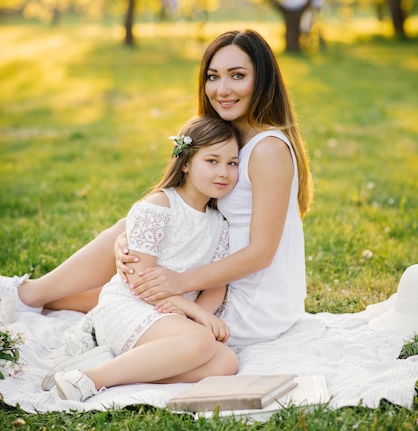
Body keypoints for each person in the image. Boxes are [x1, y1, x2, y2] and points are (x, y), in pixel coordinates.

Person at [0, 29, 312, 348]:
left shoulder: (268, 150)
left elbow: (261, 253)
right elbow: (188, 207)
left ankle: (28, 295)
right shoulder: (229, 140)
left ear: (262, 80)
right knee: (128, 259)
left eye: (237, 75)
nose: (222, 89)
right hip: (214, 271)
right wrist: (132, 242)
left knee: (134, 295)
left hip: (249, 298)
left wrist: (179, 281)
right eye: (213, 76)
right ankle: (33, 297)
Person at [53, 116, 240, 401]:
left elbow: (216, 282)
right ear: (186, 162)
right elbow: (140, 281)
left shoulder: (219, 224)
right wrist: (195, 315)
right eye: (212, 161)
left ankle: (113, 367)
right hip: (130, 307)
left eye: (232, 163)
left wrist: (198, 315)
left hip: (172, 319)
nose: (223, 172)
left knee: (226, 362)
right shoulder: (158, 207)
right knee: (200, 341)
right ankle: (90, 379)